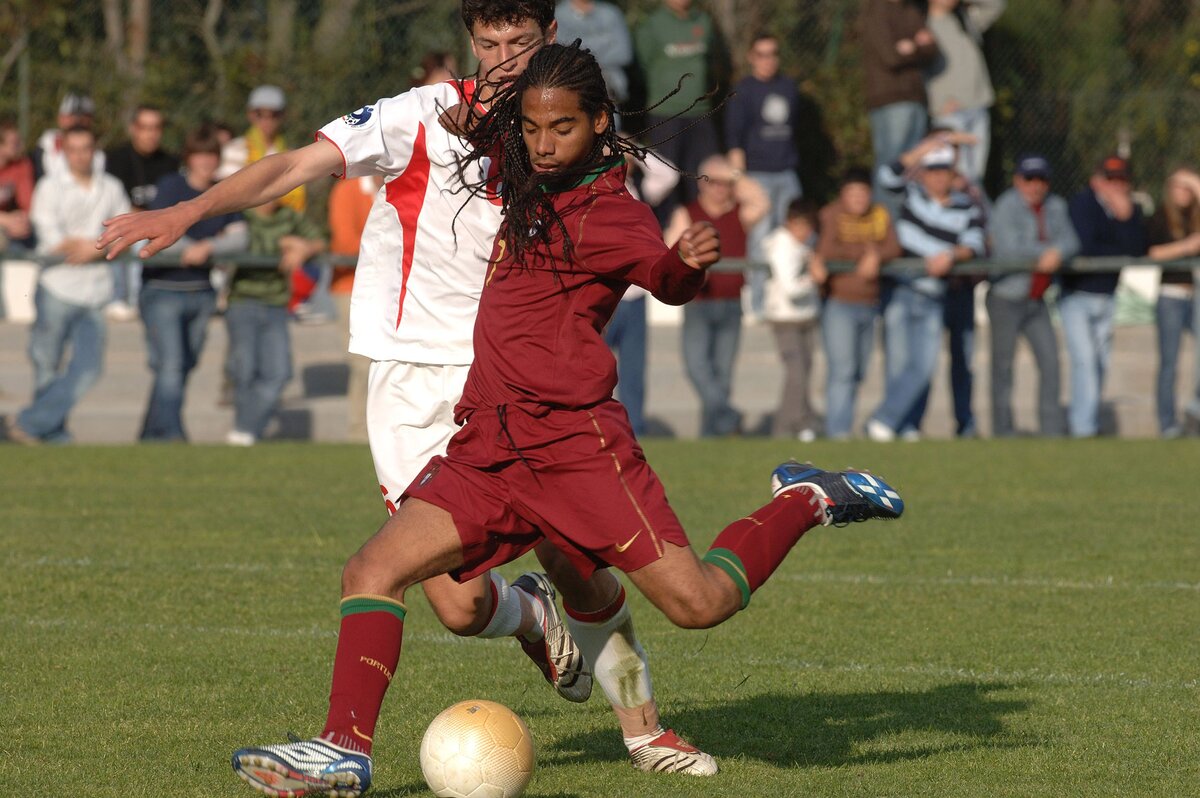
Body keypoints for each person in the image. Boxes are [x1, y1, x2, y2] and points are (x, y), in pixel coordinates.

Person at [224, 42, 904, 796]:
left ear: (599, 123)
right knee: (372, 569)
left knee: (699, 604)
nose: (544, 144)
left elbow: (664, 279)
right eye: (533, 127)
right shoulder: (523, 169)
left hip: (576, 449)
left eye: (563, 129)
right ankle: (341, 751)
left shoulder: (612, 211)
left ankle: (804, 498)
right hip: (488, 446)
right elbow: (470, 123)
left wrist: (688, 262)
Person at [99, 0, 714, 780]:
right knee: (458, 609)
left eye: (520, 41)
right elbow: (294, 165)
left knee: (573, 557)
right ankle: (529, 620)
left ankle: (643, 729)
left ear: (550, 39)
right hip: (410, 386)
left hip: (514, 385)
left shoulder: (565, 135)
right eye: (488, 42)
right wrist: (191, 208)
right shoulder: (418, 117)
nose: (504, 59)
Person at [3, 127, 129, 445]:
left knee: (89, 369)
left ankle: (29, 423)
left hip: (96, 291)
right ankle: (53, 434)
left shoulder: (111, 187)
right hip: (57, 287)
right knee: (46, 365)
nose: (80, 155)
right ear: (64, 153)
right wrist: (97, 246)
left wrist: (91, 248)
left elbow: (127, 230)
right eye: (73, 149)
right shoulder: (50, 187)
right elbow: (52, 239)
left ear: (94, 150)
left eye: (86, 148)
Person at [866, 133, 986, 441]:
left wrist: (951, 255)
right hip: (902, 291)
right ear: (923, 172)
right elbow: (886, 175)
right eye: (932, 170)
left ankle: (891, 422)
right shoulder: (911, 194)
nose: (938, 177)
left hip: (934, 295)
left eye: (943, 170)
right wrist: (922, 149)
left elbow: (974, 244)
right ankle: (898, 426)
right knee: (898, 365)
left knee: (922, 367)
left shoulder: (965, 206)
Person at [139, 125, 249, 442]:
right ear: (189, 158)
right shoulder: (171, 187)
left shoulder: (223, 192)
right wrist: (191, 246)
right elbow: (156, 232)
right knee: (171, 366)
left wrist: (209, 249)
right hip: (163, 290)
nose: (205, 162)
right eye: (199, 155)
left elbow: (240, 239)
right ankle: (174, 437)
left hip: (201, 292)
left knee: (183, 366)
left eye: (210, 155)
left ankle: (150, 435)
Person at [665, 155, 769, 437]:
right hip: (698, 303)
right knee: (696, 366)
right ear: (702, 185)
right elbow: (671, 252)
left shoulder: (741, 214)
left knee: (723, 373)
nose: (720, 188)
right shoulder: (686, 213)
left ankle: (714, 436)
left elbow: (762, 201)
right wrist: (693, 269)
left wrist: (735, 173)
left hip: (732, 303)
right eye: (713, 182)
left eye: (726, 183)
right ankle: (730, 414)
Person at [986, 153, 1077, 437]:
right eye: (1029, 179)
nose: (1035, 186)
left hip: (1037, 300)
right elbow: (1007, 249)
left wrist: (1059, 253)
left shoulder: (1056, 206)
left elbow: (1072, 240)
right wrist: (1046, 253)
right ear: (1017, 180)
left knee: (1051, 362)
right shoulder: (1006, 206)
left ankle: (1051, 432)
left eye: (1041, 179)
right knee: (1003, 367)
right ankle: (1003, 432)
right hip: (1006, 297)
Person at [225, 198, 326, 446]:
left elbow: (321, 240)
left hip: (276, 303)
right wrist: (283, 243)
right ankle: (247, 431)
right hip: (243, 301)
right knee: (244, 370)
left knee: (279, 372)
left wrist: (303, 248)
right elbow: (241, 246)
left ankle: (245, 429)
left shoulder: (288, 216)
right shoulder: (241, 215)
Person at [1063, 155, 1148, 438]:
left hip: (1106, 296)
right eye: (1111, 179)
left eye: (1122, 179)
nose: (1117, 185)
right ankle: (1083, 428)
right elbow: (1085, 246)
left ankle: (1089, 422)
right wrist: (1118, 248)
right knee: (1084, 361)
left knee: (1100, 363)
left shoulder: (1128, 210)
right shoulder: (1083, 203)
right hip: (1077, 295)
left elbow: (1137, 249)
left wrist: (1125, 220)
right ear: (1097, 180)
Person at [813, 167, 902, 439]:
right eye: (853, 194)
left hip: (870, 304)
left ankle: (844, 427)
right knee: (843, 370)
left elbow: (894, 247)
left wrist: (876, 254)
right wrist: (867, 252)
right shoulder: (830, 215)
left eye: (863, 193)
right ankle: (837, 433)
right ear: (843, 194)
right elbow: (826, 251)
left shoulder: (880, 214)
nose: (859, 199)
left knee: (860, 370)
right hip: (839, 303)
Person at [725, 32, 803, 318]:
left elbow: (794, 128)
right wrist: (739, 179)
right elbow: (734, 139)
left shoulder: (789, 87)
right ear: (751, 57)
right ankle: (756, 304)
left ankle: (788, 297)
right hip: (757, 174)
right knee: (759, 239)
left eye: (773, 53)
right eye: (761, 54)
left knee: (794, 236)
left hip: (787, 172)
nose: (767, 60)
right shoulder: (743, 91)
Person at [634, 0, 723, 220]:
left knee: (704, 178)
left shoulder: (704, 21)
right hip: (665, 114)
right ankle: (664, 234)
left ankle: (704, 230)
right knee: (667, 180)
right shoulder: (652, 25)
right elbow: (642, 66)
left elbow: (712, 62)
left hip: (700, 113)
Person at [105, 104, 182, 321]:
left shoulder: (171, 162)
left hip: (161, 228)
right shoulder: (115, 159)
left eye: (156, 128)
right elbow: (111, 201)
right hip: (125, 225)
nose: (150, 134)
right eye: (145, 127)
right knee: (125, 237)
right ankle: (122, 298)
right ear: (133, 128)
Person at [858, 0, 938, 206]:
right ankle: (888, 226)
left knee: (913, 168)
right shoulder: (877, 9)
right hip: (890, 99)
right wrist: (917, 44)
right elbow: (891, 57)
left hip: (916, 97)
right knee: (891, 167)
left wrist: (910, 47)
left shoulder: (911, 9)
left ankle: (908, 222)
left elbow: (932, 49)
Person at [924, 0, 1006, 183]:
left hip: (978, 104)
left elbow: (997, 4)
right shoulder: (924, 24)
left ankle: (972, 208)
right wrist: (937, 104)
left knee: (976, 174)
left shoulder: (964, 20)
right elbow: (918, 71)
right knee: (956, 171)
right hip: (950, 110)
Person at [327, 174, 383, 442]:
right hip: (352, 287)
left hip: (399, 289)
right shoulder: (348, 190)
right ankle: (359, 434)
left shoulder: (412, 180)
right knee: (363, 366)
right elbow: (345, 243)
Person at [1146, 168, 1200, 438]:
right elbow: (1153, 252)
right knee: (1169, 362)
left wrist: (1196, 183)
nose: (1184, 193)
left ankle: (1195, 413)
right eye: (1179, 186)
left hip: (1195, 297)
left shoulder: (1195, 217)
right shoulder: (1160, 217)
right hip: (1171, 296)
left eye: (1188, 188)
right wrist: (1187, 247)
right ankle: (1167, 423)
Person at [762, 198, 821, 440]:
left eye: (809, 227)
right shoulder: (781, 246)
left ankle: (801, 422)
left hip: (804, 317)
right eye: (801, 226)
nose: (806, 233)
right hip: (786, 319)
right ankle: (787, 426)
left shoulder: (802, 245)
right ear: (790, 222)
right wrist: (815, 279)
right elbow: (792, 288)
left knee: (804, 372)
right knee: (796, 373)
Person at [218, 85, 306, 212]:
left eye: (274, 114)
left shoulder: (291, 154)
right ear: (250, 114)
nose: (267, 119)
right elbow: (226, 194)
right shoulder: (234, 149)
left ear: (283, 116)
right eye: (260, 113)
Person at [554, 0, 633, 108]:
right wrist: (605, 43)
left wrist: (585, 56)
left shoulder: (611, 13)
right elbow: (562, 55)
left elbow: (623, 54)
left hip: (610, 91)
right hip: (572, 89)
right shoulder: (559, 15)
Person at [31, 93, 105, 181]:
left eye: (84, 116)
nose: (77, 121)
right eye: (72, 115)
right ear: (60, 118)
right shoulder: (45, 147)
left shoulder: (100, 155)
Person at [0, 118, 35, 250]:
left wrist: (21, 220)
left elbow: (28, 204)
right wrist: (6, 221)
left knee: (26, 238)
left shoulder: (21, 165)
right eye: (14, 143)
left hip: (8, 224)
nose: (21, 146)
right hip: (4, 222)